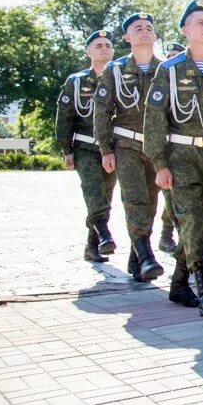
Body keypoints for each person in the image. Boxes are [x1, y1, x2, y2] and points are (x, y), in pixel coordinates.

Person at [143, 0, 203, 315]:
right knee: (191, 220)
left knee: (199, 224)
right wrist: (159, 163)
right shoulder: (170, 69)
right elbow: (154, 119)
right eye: (199, 22)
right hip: (181, 156)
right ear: (185, 30)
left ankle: (179, 284)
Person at [93, 12, 164, 282]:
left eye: (149, 27)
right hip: (126, 144)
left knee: (152, 204)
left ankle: (137, 260)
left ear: (155, 36)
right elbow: (101, 110)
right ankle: (146, 255)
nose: (144, 31)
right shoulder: (115, 69)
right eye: (138, 28)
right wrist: (105, 149)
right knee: (135, 199)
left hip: (157, 147)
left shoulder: (167, 69)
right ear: (127, 37)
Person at [57, 29, 118, 263]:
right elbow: (65, 117)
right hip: (85, 147)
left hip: (111, 149)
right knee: (93, 190)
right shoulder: (77, 81)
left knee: (105, 196)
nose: (104, 49)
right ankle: (103, 233)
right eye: (99, 45)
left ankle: (93, 246)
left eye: (108, 46)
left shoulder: (120, 78)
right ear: (88, 52)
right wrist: (66, 149)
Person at [157, 41, 185, 254]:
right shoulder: (164, 75)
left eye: (176, 54)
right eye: (169, 54)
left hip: (180, 149)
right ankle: (171, 235)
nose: (172, 57)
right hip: (163, 148)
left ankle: (173, 235)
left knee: (175, 199)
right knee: (170, 197)